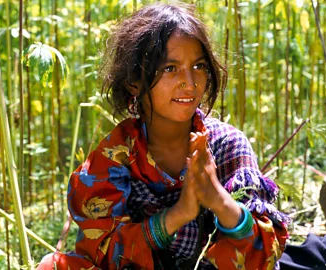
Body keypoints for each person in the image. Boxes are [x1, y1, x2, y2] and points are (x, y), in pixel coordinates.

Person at [38, 3, 291, 269]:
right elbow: (100, 251)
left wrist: (218, 199)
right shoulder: (115, 155)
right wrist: (178, 214)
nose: (190, 82)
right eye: (170, 68)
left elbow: (265, 252)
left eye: (199, 66)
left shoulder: (226, 145)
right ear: (134, 82)